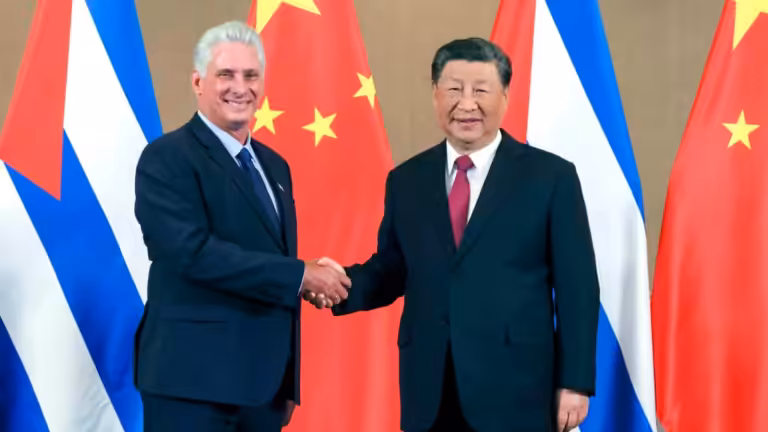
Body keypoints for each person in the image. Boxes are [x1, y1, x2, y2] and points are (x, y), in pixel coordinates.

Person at [308, 37, 600, 432]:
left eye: (481, 90)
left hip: (516, 388)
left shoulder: (551, 177)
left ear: (505, 95)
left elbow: (577, 287)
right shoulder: (407, 180)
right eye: (453, 89)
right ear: (434, 95)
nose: (466, 104)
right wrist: (340, 285)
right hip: (430, 386)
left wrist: (575, 383)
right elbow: (392, 269)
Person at [133, 21, 350, 432]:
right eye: (226, 75)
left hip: (263, 391)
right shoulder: (166, 159)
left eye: (251, 76)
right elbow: (190, 254)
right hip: (192, 387)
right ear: (198, 81)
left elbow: (272, 260)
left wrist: (289, 379)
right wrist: (302, 274)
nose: (241, 87)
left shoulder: (275, 165)